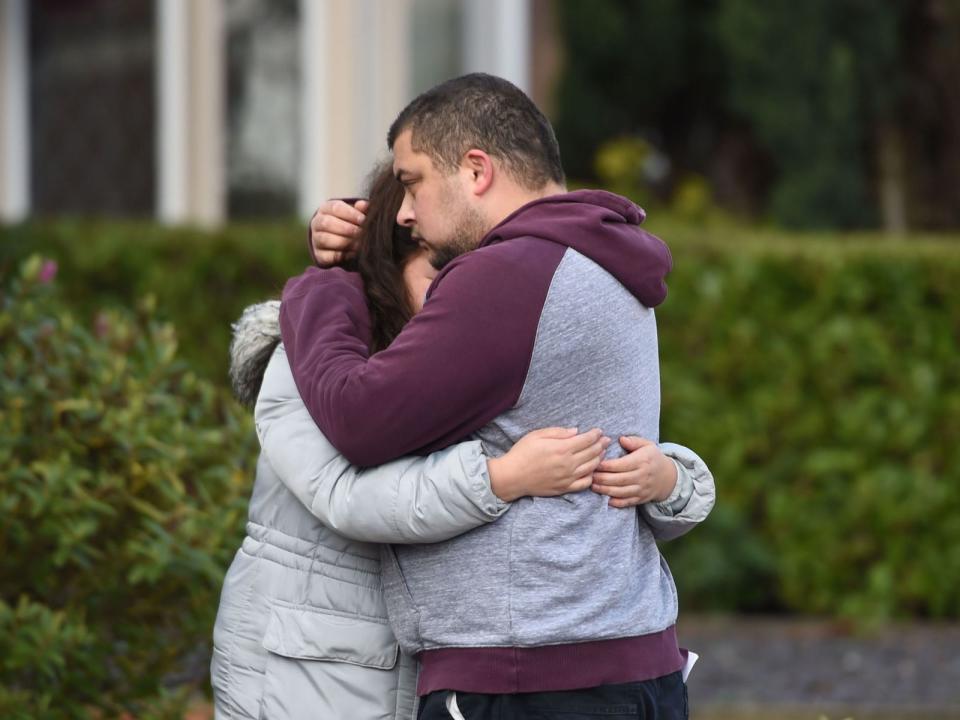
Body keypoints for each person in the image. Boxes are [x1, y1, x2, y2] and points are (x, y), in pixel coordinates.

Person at [279, 74, 715, 719]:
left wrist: (327, 284)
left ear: (476, 170)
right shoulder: (600, 258)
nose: (404, 210)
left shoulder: (512, 274)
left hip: (529, 679)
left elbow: (360, 419)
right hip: (625, 663)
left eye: (413, 180)